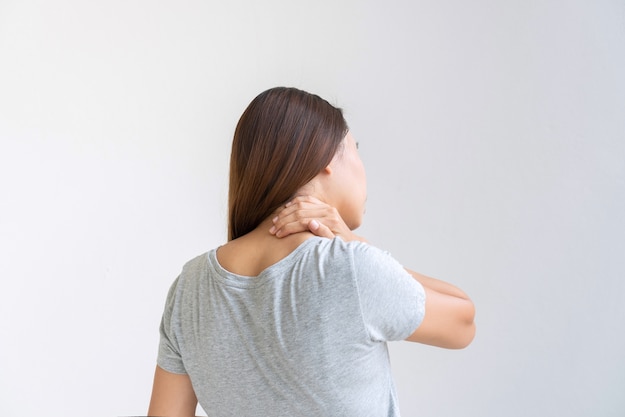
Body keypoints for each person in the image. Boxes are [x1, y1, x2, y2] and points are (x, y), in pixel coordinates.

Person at [148, 87, 475, 417]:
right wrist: (354, 244)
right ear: (329, 158)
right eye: (355, 148)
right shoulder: (349, 267)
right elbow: (464, 321)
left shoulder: (189, 288)